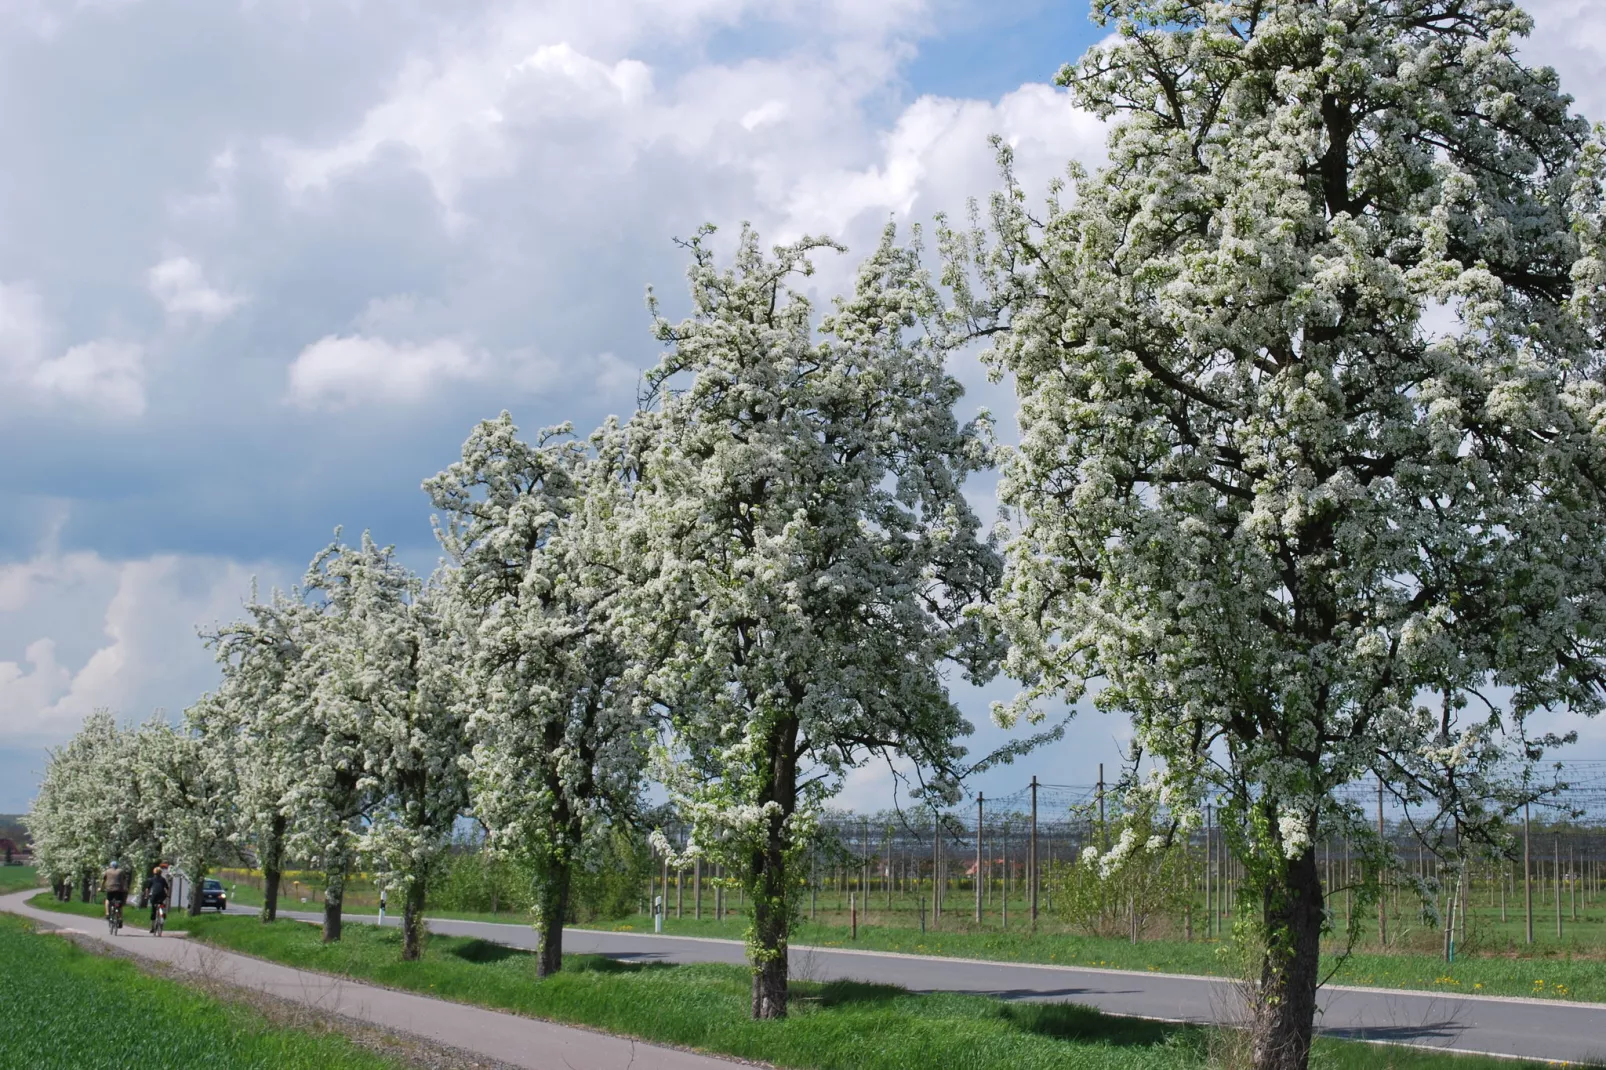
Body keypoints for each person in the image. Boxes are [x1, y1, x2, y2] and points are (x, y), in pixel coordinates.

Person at [145, 863, 171, 931]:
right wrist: (168, 895)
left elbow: (147, 889)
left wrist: (147, 896)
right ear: (160, 873)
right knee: (161, 904)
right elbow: (167, 888)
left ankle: (152, 927)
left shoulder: (151, 879)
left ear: (154, 872)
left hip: (154, 895)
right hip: (162, 895)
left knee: (153, 910)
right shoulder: (163, 879)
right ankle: (162, 914)